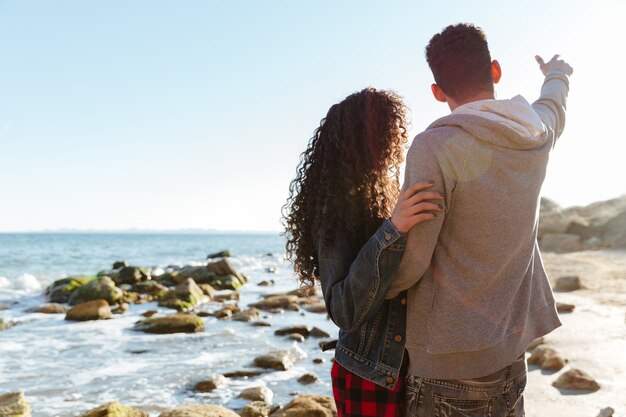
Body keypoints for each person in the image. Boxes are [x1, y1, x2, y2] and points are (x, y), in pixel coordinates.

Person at [384, 23, 573, 416]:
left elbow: (414, 260)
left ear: (437, 92)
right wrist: (557, 73)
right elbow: (553, 106)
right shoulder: (534, 132)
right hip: (511, 354)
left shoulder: (433, 147)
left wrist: (368, 286)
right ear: (496, 71)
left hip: (446, 365)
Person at [282, 87, 443, 417]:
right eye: (390, 129)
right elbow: (343, 310)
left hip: (400, 367)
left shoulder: (380, 192)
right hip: (368, 374)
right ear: (367, 137)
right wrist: (393, 230)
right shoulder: (334, 210)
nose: (399, 139)